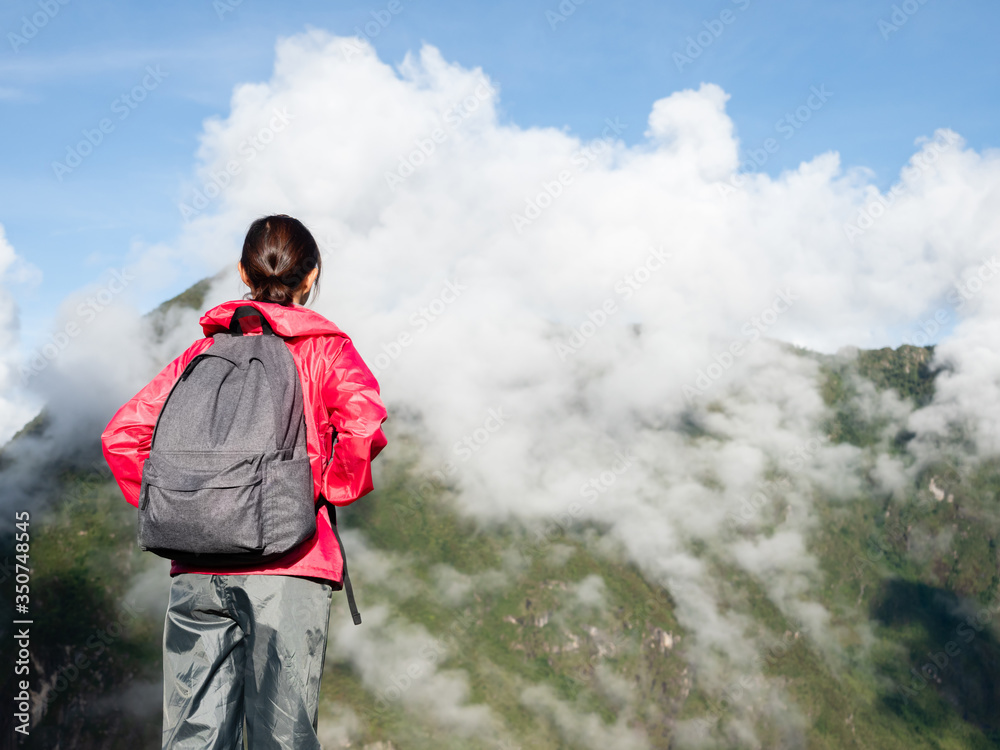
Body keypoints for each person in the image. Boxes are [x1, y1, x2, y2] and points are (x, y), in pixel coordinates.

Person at [101, 214, 388, 749]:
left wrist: (184, 505)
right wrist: (327, 487)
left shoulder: (201, 353)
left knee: (191, 737)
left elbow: (122, 435)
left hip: (197, 570)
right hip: (290, 567)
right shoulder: (326, 350)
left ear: (242, 271)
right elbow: (363, 421)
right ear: (312, 275)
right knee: (282, 736)